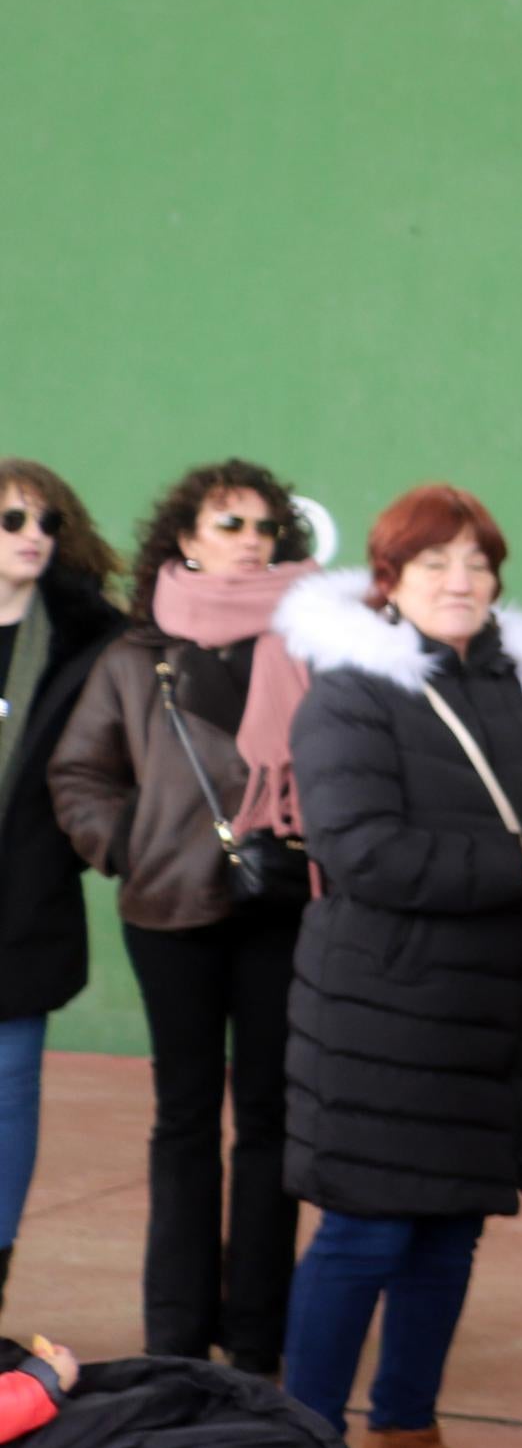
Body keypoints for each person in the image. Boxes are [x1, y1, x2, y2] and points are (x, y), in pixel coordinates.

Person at [270, 487, 522, 1448]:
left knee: (451, 1227)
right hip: (381, 1006)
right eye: (435, 563)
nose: (461, 582)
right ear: (389, 581)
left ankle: (407, 1432)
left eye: (478, 563)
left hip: (484, 1004)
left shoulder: (514, 685)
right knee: (365, 1231)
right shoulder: (349, 694)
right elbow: (361, 851)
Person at [46, 460, 325, 1372]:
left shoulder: (314, 640)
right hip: (170, 904)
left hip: (282, 902)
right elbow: (78, 773)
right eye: (229, 524)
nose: (251, 541)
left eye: (263, 527)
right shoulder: (136, 655)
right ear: (186, 540)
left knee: (273, 1120)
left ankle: (257, 1336)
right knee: (185, 1119)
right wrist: (130, 842)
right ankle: (174, 1333)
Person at [0, 463, 124, 1321]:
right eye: (11, 518)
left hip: (21, 914)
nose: (31, 533)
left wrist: (62, 853)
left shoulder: (91, 645)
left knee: (6, 1110)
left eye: (47, 520)